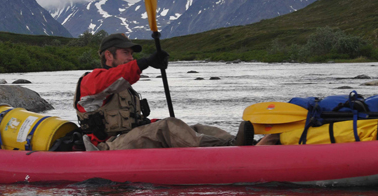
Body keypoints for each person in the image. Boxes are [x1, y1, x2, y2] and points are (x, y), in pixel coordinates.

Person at [74, 33, 254, 151]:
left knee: (189, 127)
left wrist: (154, 122)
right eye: (125, 53)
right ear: (108, 56)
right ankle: (230, 148)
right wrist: (146, 62)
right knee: (167, 127)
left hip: (126, 140)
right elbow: (116, 77)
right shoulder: (91, 82)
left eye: (132, 54)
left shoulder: (123, 87)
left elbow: (134, 122)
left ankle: (242, 142)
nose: (131, 57)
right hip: (106, 148)